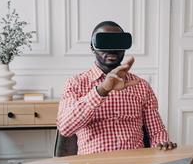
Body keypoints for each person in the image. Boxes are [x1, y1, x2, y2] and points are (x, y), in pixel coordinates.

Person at [57, 21, 177, 155]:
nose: (111, 49)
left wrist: (162, 148)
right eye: (105, 42)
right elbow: (65, 128)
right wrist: (102, 90)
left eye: (117, 42)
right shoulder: (76, 84)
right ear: (92, 47)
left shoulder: (141, 85)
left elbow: (157, 131)